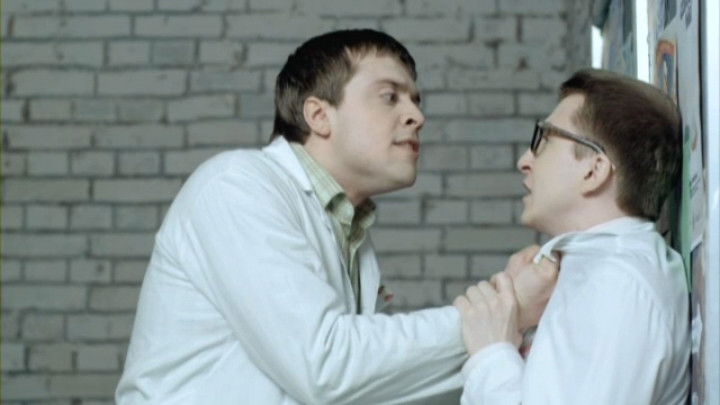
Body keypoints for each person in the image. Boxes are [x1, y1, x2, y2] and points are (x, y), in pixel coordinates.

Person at [115, 29, 558, 404]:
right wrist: (508, 307)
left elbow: (368, 383)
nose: (417, 116)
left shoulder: (348, 230)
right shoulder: (236, 186)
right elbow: (324, 368)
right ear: (319, 116)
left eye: (415, 100)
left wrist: (507, 331)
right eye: (390, 97)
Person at [454, 68, 690, 404]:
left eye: (544, 140)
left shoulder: (618, 284)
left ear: (594, 170)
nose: (524, 161)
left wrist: (491, 353)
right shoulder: (601, 272)